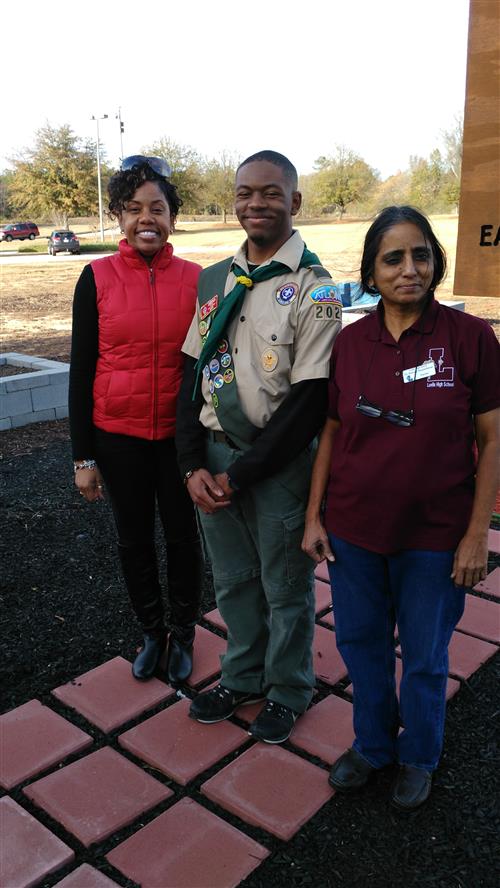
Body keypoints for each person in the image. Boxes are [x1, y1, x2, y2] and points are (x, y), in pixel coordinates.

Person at [302, 206, 500, 808]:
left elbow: (493, 439)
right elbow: (332, 433)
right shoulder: (350, 342)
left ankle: (419, 753)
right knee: (359, 646)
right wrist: (315, 515)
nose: (409, 269)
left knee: (424, 656)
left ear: (435, 262)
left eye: (421, 255)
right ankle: (373, 745)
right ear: (371, 271)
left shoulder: (470, 339)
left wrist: (476, 535)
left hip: (436, 537)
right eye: (393, 258)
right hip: (355, 531)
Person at [175, 150, 342, 744]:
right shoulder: (215, 279)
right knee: (234, 580)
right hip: (216, 461)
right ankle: (243, 675)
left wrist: (242, 474)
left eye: (271, 193)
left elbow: (309, 401)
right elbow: (193, 372)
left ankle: (289, 687)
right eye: (246, 193)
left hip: (276, 466)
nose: (256, 204)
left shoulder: (314, 288)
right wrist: (192, 462)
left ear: (294, 202)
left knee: (284, 584)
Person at [69, 155, 204, 686]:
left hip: (178, 439)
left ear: (173, 216)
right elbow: (81, 372)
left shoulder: (197, 279)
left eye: (158, 208)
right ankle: (152, 632)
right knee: (133, 540)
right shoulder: (95, 276)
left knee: (182, 537)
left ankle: (185, 632)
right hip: (117, 438)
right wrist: (83, 456)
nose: (146, 219)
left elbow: (206, 365)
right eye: (133, 209)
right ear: (119, 217)